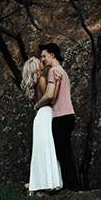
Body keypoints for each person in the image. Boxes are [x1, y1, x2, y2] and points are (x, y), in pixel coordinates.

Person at [38, 43, 80, 190]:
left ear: (52, 54)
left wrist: (37, 105)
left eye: (44, 56)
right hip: (69, 115)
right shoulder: (62, 71)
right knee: (66, 152)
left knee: (62, 153)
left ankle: (70, 186)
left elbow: (50, 95)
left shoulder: (53, 71)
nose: (42, 59)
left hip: (60, 116)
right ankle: (74, 185)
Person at [20, 57, 61, 196]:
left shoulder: (33, 83)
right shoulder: (42, 79)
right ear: (36, 67)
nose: (42, 61)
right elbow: (51, 98)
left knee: (39, 151)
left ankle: (39, 183)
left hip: (39, 117)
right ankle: (49, 183)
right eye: (39, 61)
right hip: (45, 114)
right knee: (49, 148)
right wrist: (58, 82)